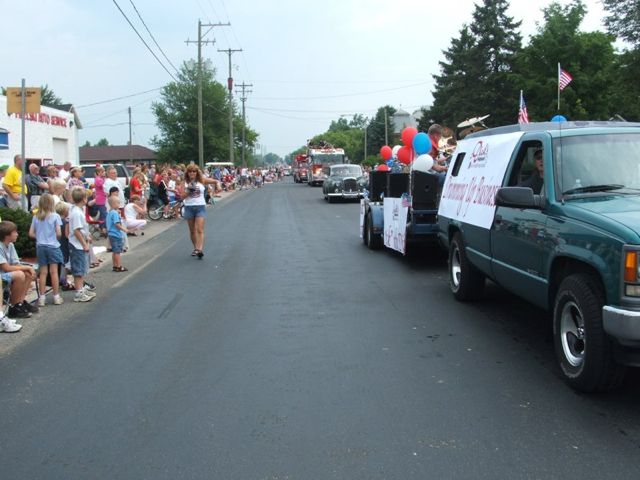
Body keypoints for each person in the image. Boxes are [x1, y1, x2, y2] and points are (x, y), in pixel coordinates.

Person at [28, 194, 64, 306]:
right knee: (54, 272)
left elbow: (31, 233)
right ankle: (56, 296)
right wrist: (55, 238)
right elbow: (58, 233)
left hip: (41, 246)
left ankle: (42, 298)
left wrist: (39, 237)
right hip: (53, 246)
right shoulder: (55, 216)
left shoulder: (36, 216)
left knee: (43, 272)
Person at [0, 221, 39, 318]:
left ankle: (20, 303)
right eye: (15, 232)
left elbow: (16, 263)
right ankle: (14, 306)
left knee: (28, 273)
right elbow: (6, 267)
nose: (17, 234)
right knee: (20, 274)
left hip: (7, 273)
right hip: (1, 275)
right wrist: (27, 267)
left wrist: (27, 269)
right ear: (7, 235)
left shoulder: (11, 245)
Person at [183, 165, 218, 258]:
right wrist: (188, 190)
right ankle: (195, 248)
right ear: (187, 173)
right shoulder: (184, 182)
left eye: (194, 171)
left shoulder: (201, 181)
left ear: (197, 173)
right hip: (189, 207)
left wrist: (218, 186)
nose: (192, 173)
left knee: (200, 229)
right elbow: (182, 197)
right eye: (190, 171)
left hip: (200, 207)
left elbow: (215, 181)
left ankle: (200, 249)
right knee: (192, 231)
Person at [68, 188, 96, 302]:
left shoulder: (78, 211)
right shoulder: (76, 213)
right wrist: (84, 243)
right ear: (84, 199)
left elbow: (81, 229)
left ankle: (82, 289)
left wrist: (87, 236)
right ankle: (79, 292)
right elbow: (76, 231)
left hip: (80, 244)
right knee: (78, 269)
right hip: (77, 245)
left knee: (82, 267)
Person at [106, 196, 129, 272]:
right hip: (116, 234)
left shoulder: (110, 212)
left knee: (114, 251)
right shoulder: (115, 213)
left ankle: (114, 265)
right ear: (113, 204)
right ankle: (118, 266)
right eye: (118, 202)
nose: (119, 204)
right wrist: (124, 229)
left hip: (111, 234)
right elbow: (117, 224)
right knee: (117, 251)